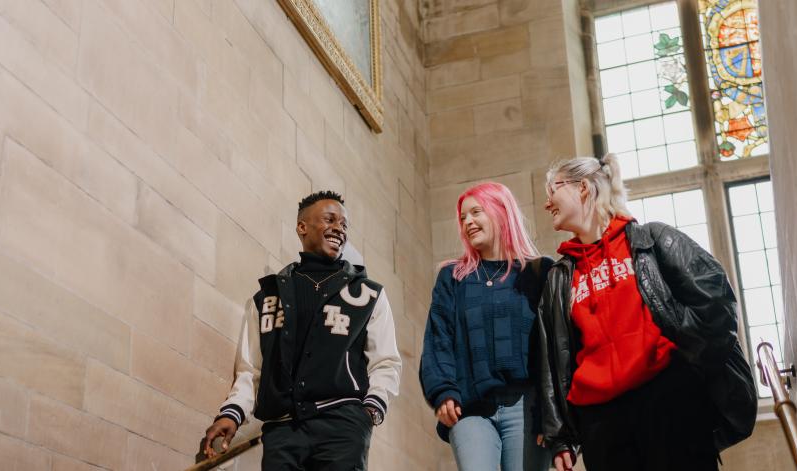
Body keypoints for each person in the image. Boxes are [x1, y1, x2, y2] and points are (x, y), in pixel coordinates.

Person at [535, 156, 757, 471]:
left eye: (552, 190)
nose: (547, 203)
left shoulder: (651, 241)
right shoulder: (560, 277)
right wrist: (561, 436)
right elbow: (551, 362)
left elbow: (715, 301)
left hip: (669, 401)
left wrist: (690, 366)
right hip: (602, 421)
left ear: (583, 188)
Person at [201, 190, 402, 470]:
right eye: (329, 219)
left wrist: (370, 410)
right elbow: (251, 370)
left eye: (344, 224)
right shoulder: (266, 298)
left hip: (343, 426)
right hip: (282, 430)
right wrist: (231, 415)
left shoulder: (368, 294)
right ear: (302, 227)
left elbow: (386, 362)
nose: (339, 229)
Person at [419, 182, 553, 471]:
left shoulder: (539, 272)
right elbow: (438, 338)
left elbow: (556, 346)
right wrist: (442, 390)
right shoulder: (452, 277)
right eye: (463, 217)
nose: (468, 222)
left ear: (501, 212)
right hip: (470, 408)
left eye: (476, 212)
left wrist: (554, 413)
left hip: (528, 406)